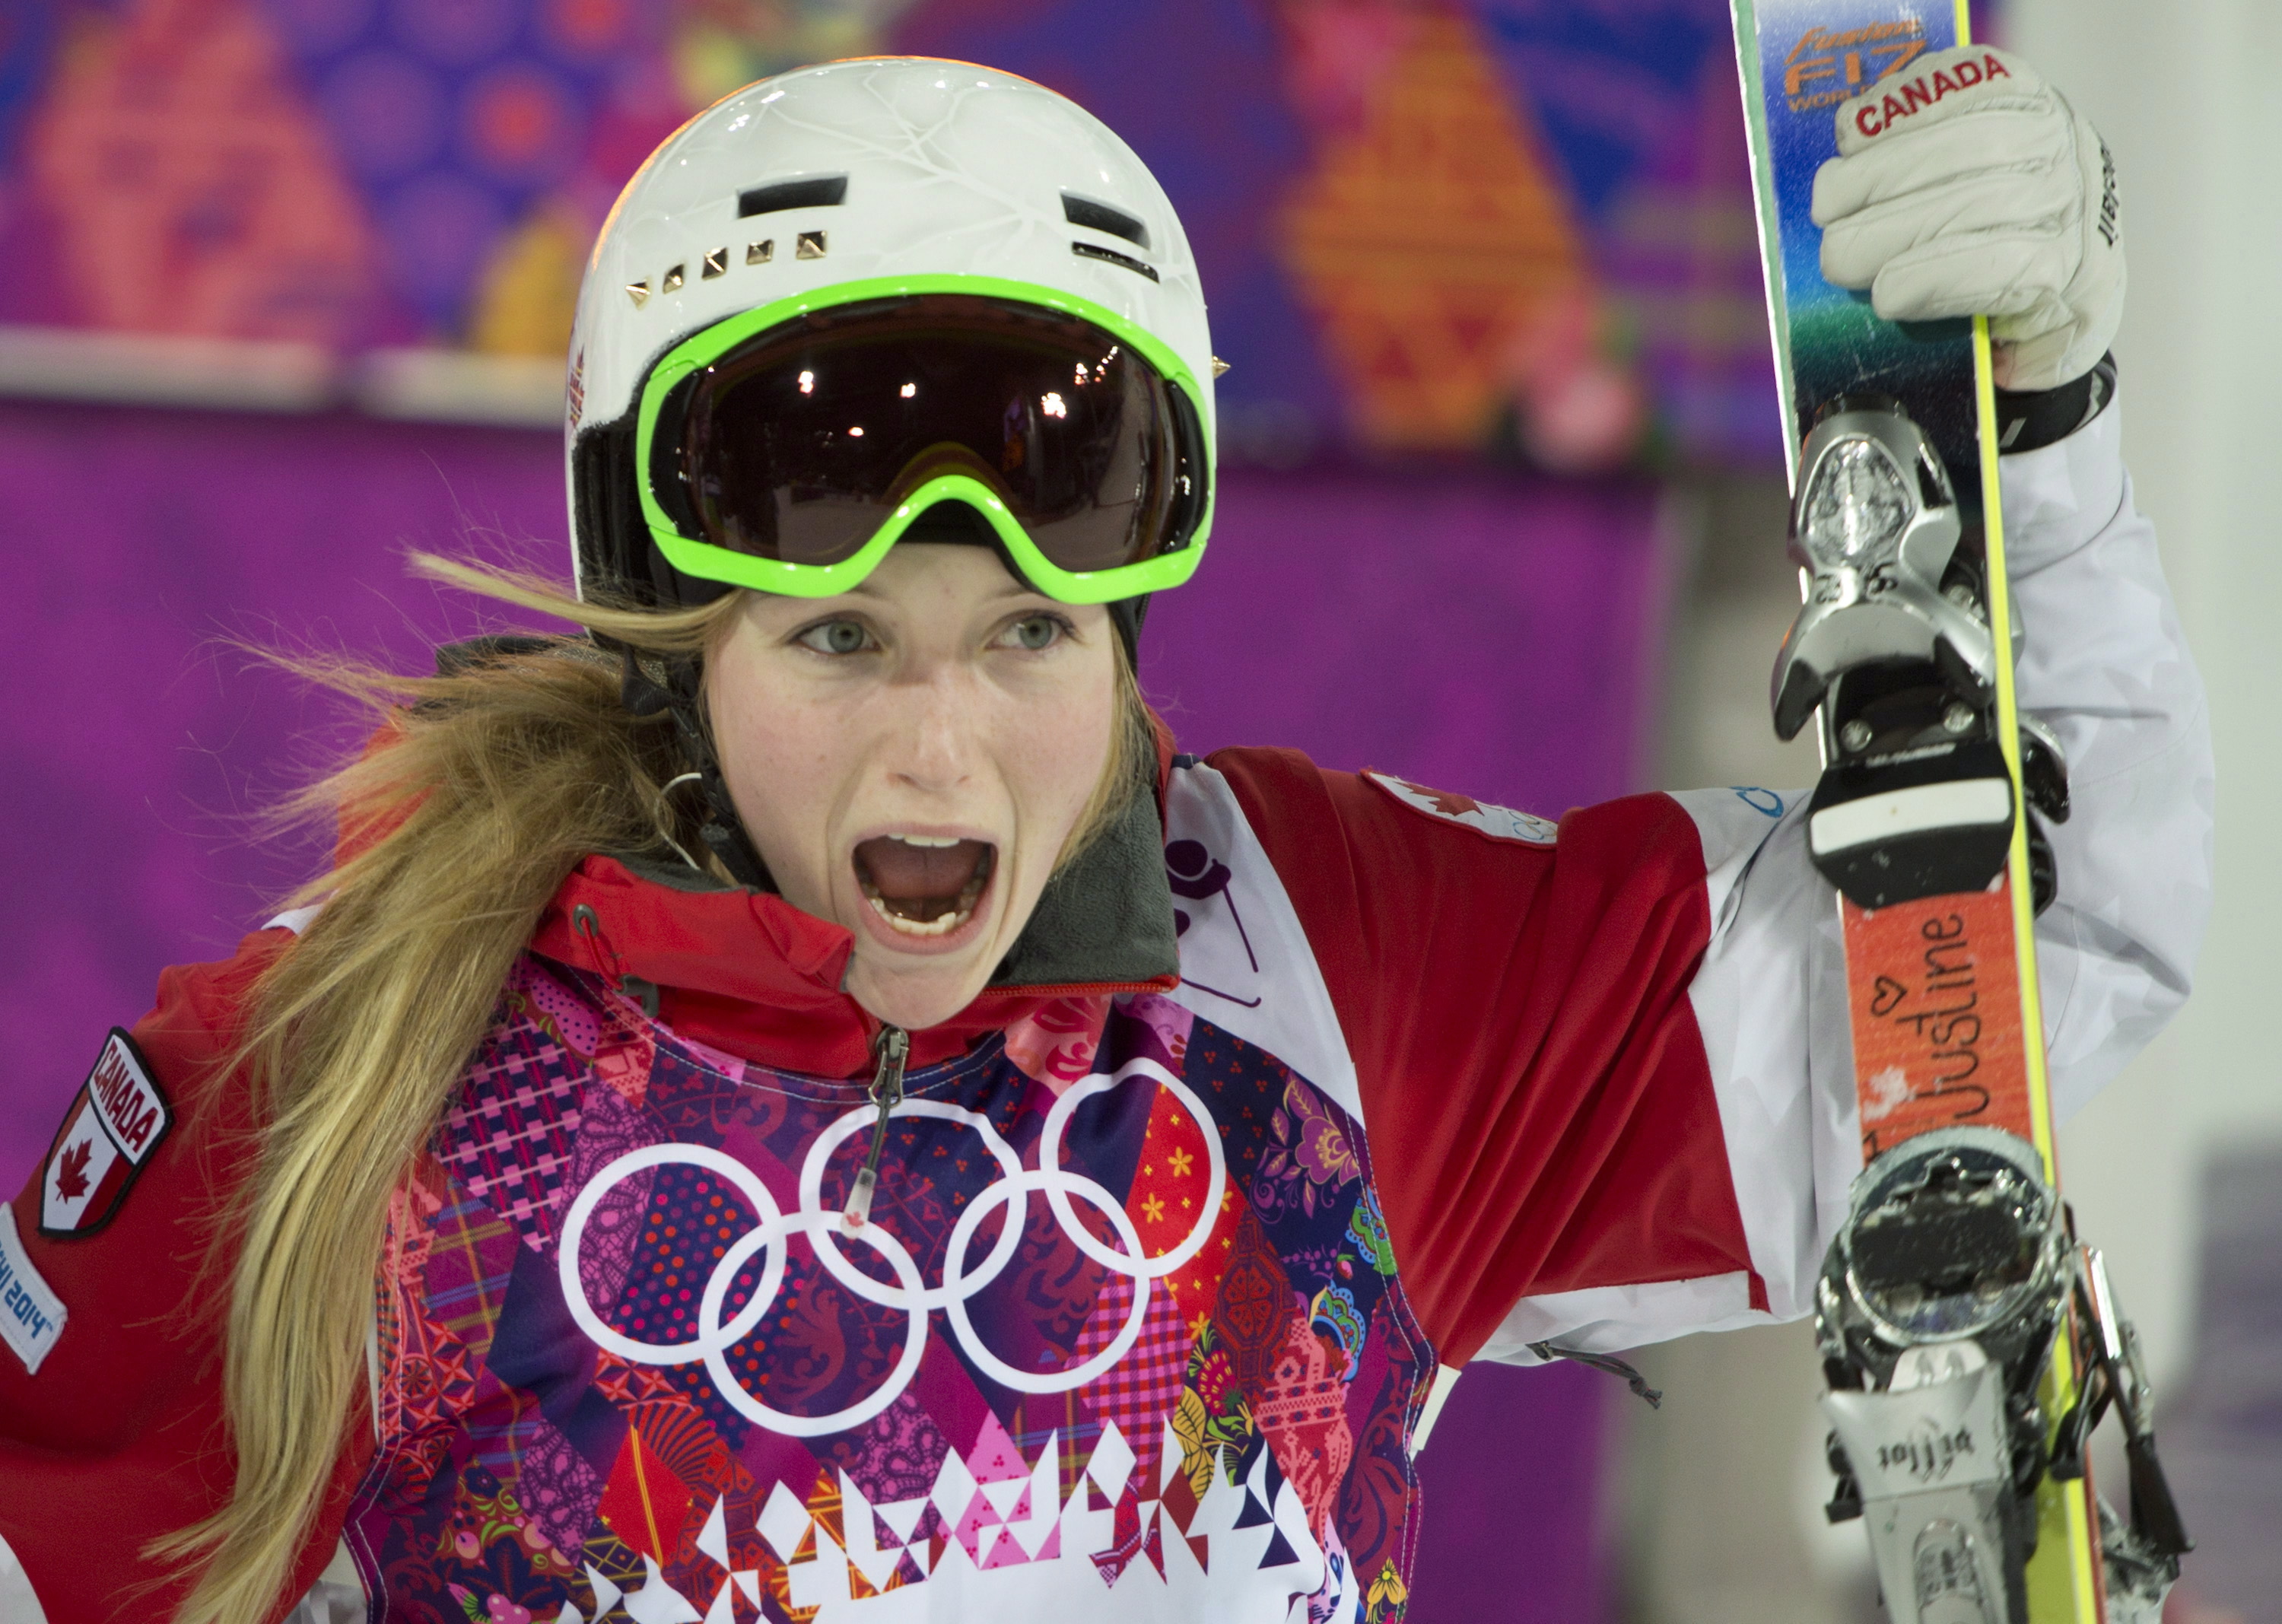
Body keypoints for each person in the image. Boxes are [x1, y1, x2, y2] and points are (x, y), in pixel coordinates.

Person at [0, 49, 2207, 1624]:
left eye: (1032, 636)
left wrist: (2044, 449)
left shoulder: (1343, 973)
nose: (943, 754)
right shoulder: (340, 1073)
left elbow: (2018, 972)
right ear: (673, 637)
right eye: (845, 640)